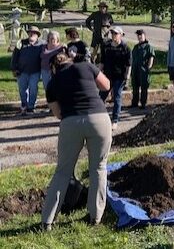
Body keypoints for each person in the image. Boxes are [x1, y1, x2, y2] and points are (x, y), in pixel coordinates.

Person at [41, 53, 111, 230]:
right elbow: (106, 85)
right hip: (99, 119)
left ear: (54, 68)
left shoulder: (52, 83)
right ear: (69, 60)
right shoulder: (86, 66)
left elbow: (58, 114)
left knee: (62, 172)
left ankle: (47, 220)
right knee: (99, 168)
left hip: (71, 122)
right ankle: (95, 217)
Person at [98, 26, 131, 129]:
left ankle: (115, 120)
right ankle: (99, 117)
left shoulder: (125, 48)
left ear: (121, 35)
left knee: (117, 97)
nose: (113, 35)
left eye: (116, 33)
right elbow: (102, 61)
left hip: (119, 76)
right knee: (100, 97)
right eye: (112, 33)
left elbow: (129, 64)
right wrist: (98, 73)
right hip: (107, 76)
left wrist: (127, 77)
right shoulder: (106, 46)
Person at [12, 25, 44, 115]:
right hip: (21, 71)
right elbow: (14, 56)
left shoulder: (42, 44)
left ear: (37, 35)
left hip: (35, 71)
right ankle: (24, 105)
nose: (31, 34)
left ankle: (31, 107)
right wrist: (14, 68)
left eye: (34, 33)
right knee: (22, 89)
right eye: (30, 32)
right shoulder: (21, 43)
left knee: (33, 89)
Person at [130, 29, 155, 109]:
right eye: (138, 35)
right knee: (135, 86)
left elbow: (151, 58)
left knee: (144, 87)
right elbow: (132, 58)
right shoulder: (136, 47)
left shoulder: (148, 47)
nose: (139, 36)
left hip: (143, 70)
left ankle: (143, 103)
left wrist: (148, 68)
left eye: (141, 35)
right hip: (135, 69)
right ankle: (134, 102)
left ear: (144, 35)